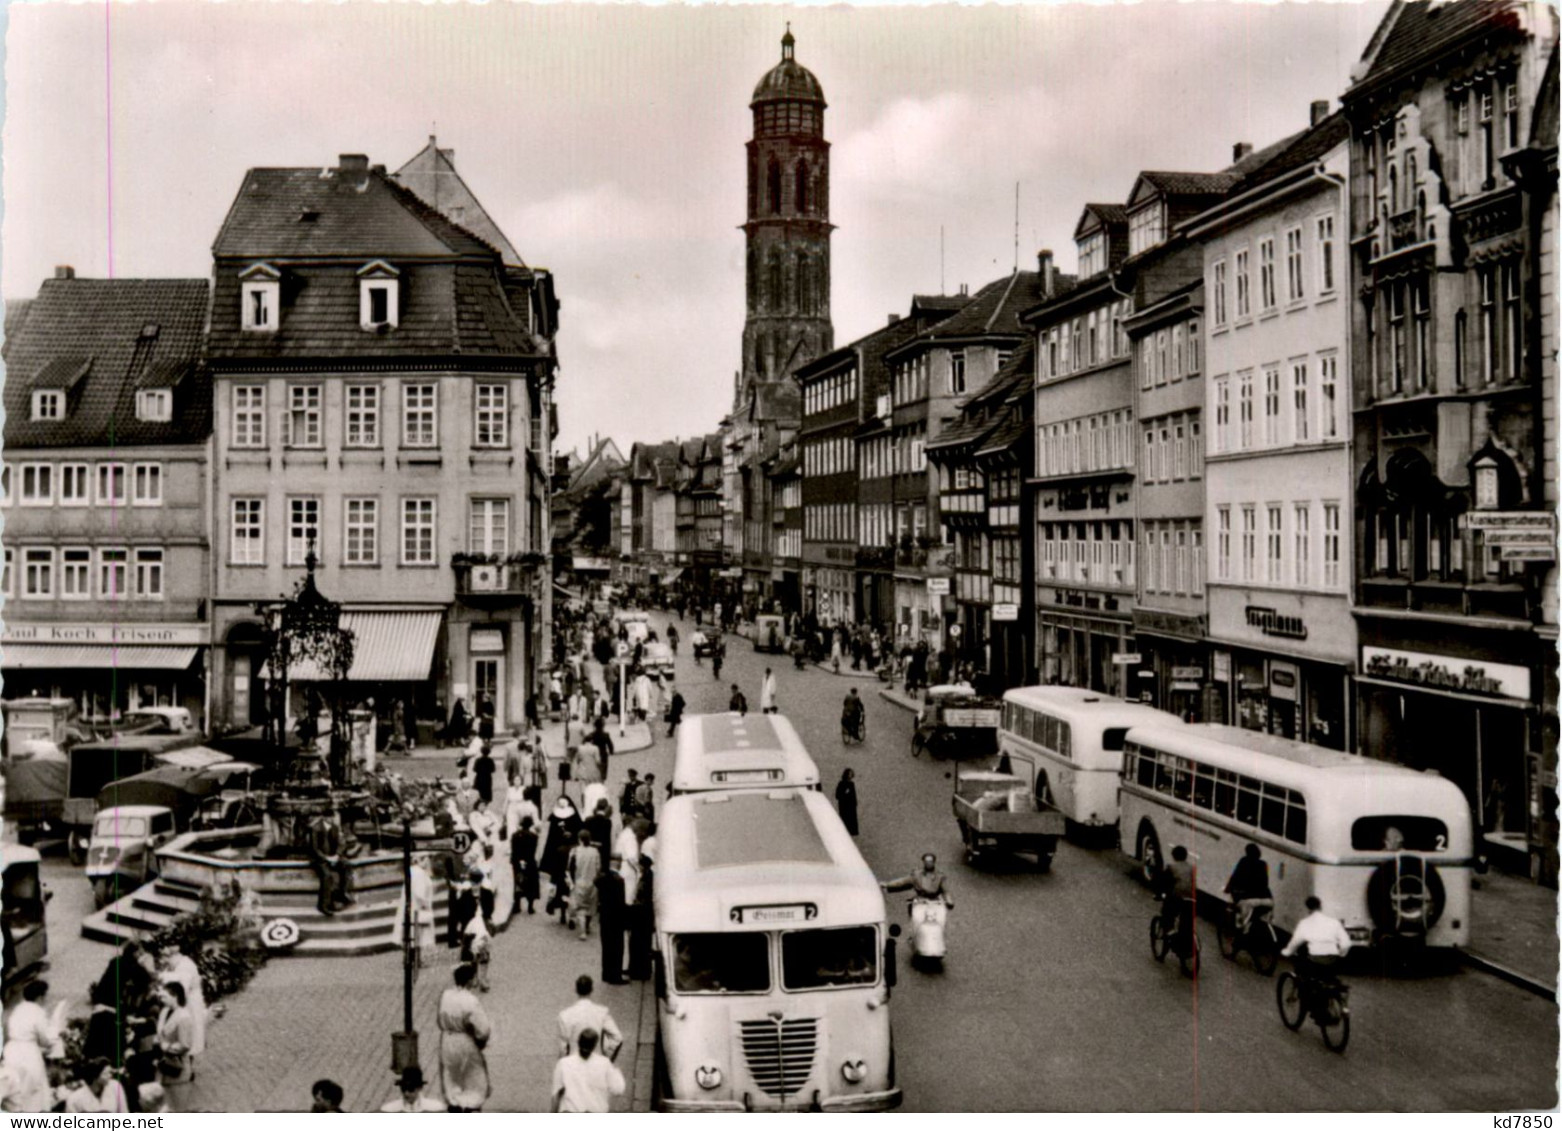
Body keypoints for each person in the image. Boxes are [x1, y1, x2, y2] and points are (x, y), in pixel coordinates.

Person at [437, 964, 492, 1112]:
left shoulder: (445, 995)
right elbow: (484, 1029)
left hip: (447, 1040)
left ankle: (454, 1106)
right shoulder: (471, 1000)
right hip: (465, 1041)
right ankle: (469, 1109)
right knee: (473, 1078)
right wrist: (480, 1040)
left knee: (451, 1077)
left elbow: (439, 1020)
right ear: (469, 980)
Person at [2, 980, 61, 1112]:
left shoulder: (18, 1009)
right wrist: (53, 1038)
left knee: (13, 1085)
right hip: (28, 1053)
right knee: (32, 1090)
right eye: (46, 995)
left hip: (11, 1050)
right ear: (40, 997)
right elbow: (44, 1039)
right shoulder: (37, 1012)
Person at [1281, 895, 1352, 988]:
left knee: (1301, 967)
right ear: (1321, 907)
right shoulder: (1334, 922)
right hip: (1333, 961)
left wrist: (1287, 952)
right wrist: (1341, 954)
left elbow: (1295, 942)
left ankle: (1303, 993)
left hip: (1314, 962)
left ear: (1308, 909)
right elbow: (1346, 943)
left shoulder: (1305, 923)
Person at [551, 1028, 625, 1114]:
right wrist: (614, 1069)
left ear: (578, 1042)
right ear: (594, 1045)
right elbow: (618, 1089)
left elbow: (556, 1095)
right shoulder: (605, 1064)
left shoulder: (563, 1063)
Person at [556, 975, 624, 1060]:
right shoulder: (602, 1012)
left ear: (576, 990)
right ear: (591, 990)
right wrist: (606, 1056)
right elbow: (617, 1037)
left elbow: (563, 1048)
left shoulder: (564, 1015)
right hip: (596, 1063)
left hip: (573, 1065)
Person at [159, 942, 208, 1056]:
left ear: (172, 957)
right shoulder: (180, 963)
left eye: (166, 960)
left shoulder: (184, 967)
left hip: (190, 1003)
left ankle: (184, 1063)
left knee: (187, 1034)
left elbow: (181, 991)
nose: (166, 964)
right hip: (186, 1001)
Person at [544, 797, 584, 919]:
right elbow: (552, 836)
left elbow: (579, 830)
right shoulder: (555, 816)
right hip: (558, 853)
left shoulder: (574, 815)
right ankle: (563, 911)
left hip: (569, 851)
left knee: (565, 884)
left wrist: (571, 834)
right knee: (562, 884)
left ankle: (566, 912)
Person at [309, 810, 354, 915]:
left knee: (346, 865)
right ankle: (324, 905)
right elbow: (314, 849)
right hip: (319, 859)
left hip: (333, 856)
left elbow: (341, 844)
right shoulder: (315, 829)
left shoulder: (335, 827)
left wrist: (337, 855)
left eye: (332, 817)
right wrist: (326, 858)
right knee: (327, 875)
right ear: (323, 818)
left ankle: (342, 894)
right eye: (329, 818)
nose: (331, 819)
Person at [1224, 842, 1273, 933]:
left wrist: (1227, 889)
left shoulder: (1244, 861)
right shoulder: (1263, 864)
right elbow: (1265, 883)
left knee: (1243, 918)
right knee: (1254, 914)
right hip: (1267, 901)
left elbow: (1234, 877)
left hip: (1250, 901)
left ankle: (1242, 934)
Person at [155, 981, 196, 1089]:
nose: (161, 999)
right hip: (164, 1065)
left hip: (177, 1069)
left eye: (164, 997)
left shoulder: (183, 1017)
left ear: (175, 996)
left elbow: (185, 1044)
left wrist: (167, 1047)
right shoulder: (165, 1011)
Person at [596, 857, 628, 985]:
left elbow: (596, 881)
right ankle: (615, 975)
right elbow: (621, 902)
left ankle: (606, 973)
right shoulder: (619, 880)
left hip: (604, 916)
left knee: (606, 945)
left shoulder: (602, 878)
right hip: (616, 917)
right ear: (618, 864)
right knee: (617, 947)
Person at [881, 854, 953, 906]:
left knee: (941, 918)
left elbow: (946, 890)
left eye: (930, 861)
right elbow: (902, 882)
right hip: (920, 900)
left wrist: (948, 900)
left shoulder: (940, 876)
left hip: (935, 902)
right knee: (915, 915)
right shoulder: (916, 875)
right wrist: (888, 884)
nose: (928, 863)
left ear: (934, 862)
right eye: (926, 861)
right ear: (923, 862)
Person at [568, 831, 602, 939]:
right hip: (592, 882)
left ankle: (582, 932)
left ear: (579, 839)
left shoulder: (575, 851)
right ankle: (587, 925)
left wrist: (571, 882)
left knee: (580, 907)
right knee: (591, 906)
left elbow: (570, 867)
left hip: (579, 882)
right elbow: (598, 867)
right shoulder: (595, 851)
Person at [1158, 846, 1197, 939]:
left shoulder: (1171, 867)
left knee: (1167, 912)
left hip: (1177, 897)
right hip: (1192, 898)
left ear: (1174, 856)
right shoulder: (1192, 868)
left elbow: (1164, 882)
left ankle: (1169, 931)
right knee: (1186, 921)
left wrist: (1159, 893)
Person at [627, 852, 656, 981]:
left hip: (642, 914)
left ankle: (639, 971)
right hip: (643, 914)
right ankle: (637, 969)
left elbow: (643, 897)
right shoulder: (648, 876)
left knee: (639, 943)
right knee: (640, 943)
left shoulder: (646, 878)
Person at [65, 1059, 130, 1114]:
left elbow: (124, 1113)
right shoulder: (74, 1098)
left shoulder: (115, 1086)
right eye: (106, 1073)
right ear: (95, 1076)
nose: (110, 1076)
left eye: (110, 1073)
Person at [380, 1066, 447, 1113]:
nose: (406, 1093)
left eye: (410, 1089)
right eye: (403, 1088)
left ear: (420, 1088)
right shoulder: (389, 1110)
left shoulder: (435, 1108)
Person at [513, 816, 542, 915]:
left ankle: (517, 906)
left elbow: (514, 850)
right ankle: (530, 907)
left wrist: (517, 860)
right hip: (530, 861)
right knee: (531, 884)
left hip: (517, 861)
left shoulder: (515, 835)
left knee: (518, 882)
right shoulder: (534, 836)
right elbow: (533, 851)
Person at [835, 768, 860, 837]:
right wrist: (845, 793)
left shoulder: (851, 784)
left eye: (851, 774)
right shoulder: (841, 783)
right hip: (844, 806)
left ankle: (851, 833)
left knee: (851, 821)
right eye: (849, 774)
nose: (850, 775)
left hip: (851, 807)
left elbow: (853, 795)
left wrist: (855, 804)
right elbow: (837, 795)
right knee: (845, 820)